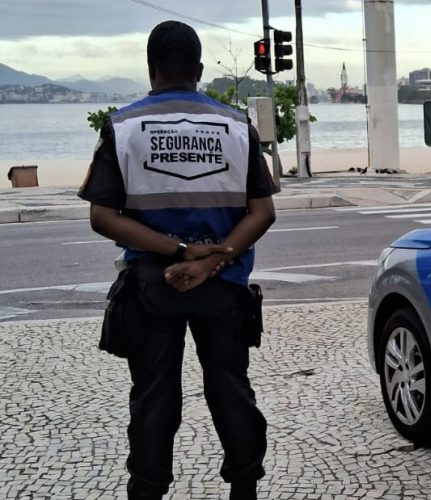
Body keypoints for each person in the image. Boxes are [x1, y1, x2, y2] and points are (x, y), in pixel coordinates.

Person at [78, 20, 277, 500]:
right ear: (200, 69)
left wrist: (181, 253)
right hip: (225, 283)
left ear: (151, 71)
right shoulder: (235, 125)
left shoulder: (123, 127)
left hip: (152, 285)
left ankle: (147, 491)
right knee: (231, 390)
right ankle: (244, 488)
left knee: (152, 398)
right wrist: (210, 262)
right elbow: (263, 212)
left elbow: (102, 218)